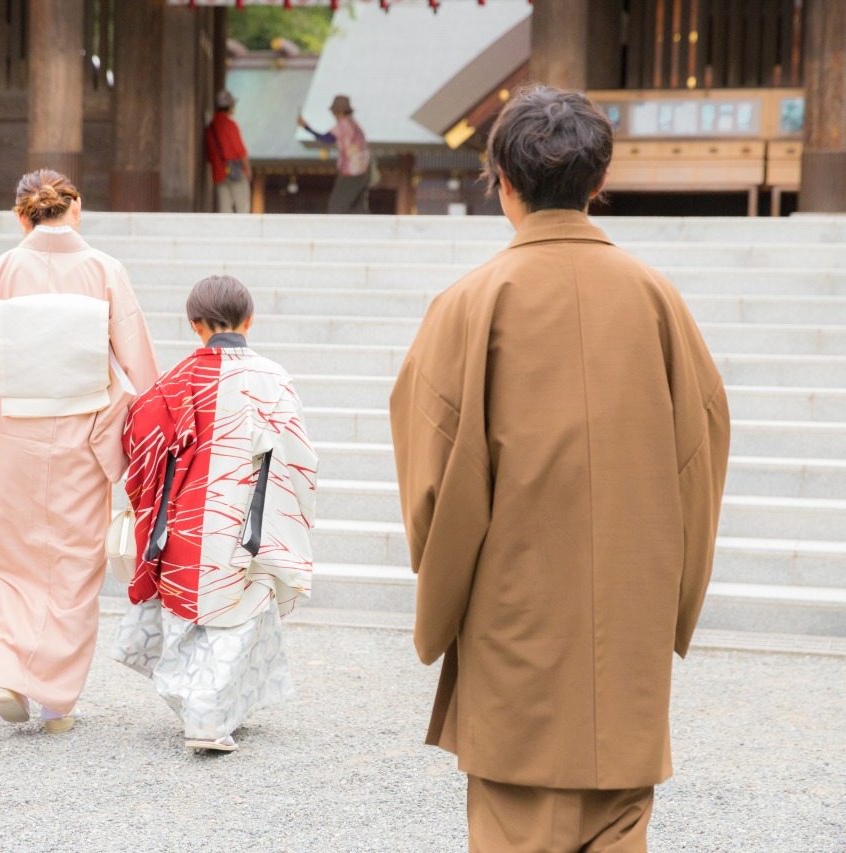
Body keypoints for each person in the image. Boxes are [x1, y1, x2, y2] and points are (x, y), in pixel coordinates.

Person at [389, 85, 731, 852]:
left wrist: (442, 603)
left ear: (501, 181)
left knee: (518, 821)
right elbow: (700, 459)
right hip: (627, 622)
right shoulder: (657, 300)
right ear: (596, 182)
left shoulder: (468, 304)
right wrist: (669, 599)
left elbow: (434, 486)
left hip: (515, 621)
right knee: (619, 824)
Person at [0, 169, 159, 735]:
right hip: (83, 433)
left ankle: (7, 670)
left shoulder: (1, 270)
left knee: (13, 558)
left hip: (13, 432)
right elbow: (136, 353)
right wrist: (151, 434)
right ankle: (57, 703)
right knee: (74, 564)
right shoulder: (105, 269)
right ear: (77, 208)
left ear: (22, 215)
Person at [110, 275, 317, 752]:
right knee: (238, 618)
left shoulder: (172, 381)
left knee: (190, 617)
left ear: (193, 325)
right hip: (247, 520)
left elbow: (139, 443)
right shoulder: (272, 378)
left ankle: (202, 706)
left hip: (181, 519)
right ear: (249, 320)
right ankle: (206, 716)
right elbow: (300, 456)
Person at [297, 94, 371, 214]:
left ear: (338, 112)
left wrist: (306, 127)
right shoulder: (355, 124)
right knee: (358, 208)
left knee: (337, 206)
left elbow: (327, 138)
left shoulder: (343, 125)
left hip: (352, 172)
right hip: (364, 171)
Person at [206, 90, 252, 214]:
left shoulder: (211, 127)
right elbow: (240, 150)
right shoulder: (230, 125)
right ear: (229, 106)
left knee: (224, 209)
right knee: (242, 207)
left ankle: (225, 232)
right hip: (235, 172)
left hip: (218, 173)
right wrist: (248, 169)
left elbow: (209, 154)